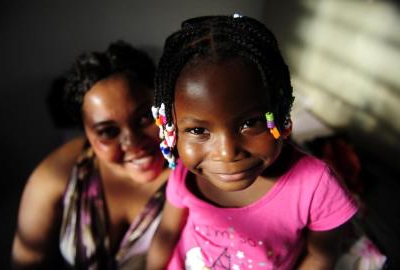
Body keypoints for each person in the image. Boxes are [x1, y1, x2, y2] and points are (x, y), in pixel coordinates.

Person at [146, 15, 358, 270]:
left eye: (250, 123)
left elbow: (321, 256)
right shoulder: (184, 174)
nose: (227, 152)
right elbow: (167, 233)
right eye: (198, 130)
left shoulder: (316, 185)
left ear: (281, 115)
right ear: (172, 129)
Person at [11, 41, 169, 269]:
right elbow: (27, 260)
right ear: (85, 131)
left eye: (144, 118)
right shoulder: (58, 174)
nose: (133, 143)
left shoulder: (195, 169)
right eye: (107, 131)